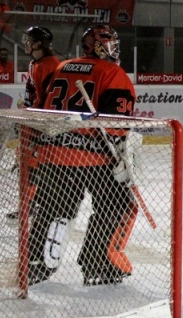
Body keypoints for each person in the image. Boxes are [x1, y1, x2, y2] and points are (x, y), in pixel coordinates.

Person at [31, 24, 137, 286]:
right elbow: (117, 124)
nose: (114, 48)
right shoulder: (112, 72)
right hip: (93, 157)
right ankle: (99, 263)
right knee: (119, 206)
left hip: (53, 152)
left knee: (55, 209)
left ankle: (37, 263)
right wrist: (121, 150)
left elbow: (43, 108)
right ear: (98, 45)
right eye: (110, 42)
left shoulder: (61, 66)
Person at [6, 26, 61, 221]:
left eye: (29, 39)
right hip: (34, 120)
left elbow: (47, 100)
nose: (25, 42)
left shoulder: (50, 65)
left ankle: (38, 205)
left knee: (36, 165)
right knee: (26, 164)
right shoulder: (35, 63)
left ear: (38, 43)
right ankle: (28, 205)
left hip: (44, 124)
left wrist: (32, 116)